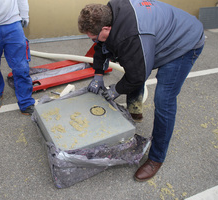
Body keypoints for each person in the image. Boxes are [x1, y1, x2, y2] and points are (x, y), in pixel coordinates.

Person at [78, 0, 204, 182]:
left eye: (93, 37)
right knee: (134, 64)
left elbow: (137, 74)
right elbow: (102, 48)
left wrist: (115, 90)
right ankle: (135, 112)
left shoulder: (131, 36)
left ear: (106, 29)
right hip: (158, 33)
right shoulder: (108, 14)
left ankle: (156, 158)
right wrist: (98, 74)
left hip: (184, 42)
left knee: (164, 99)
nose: (93, 41)